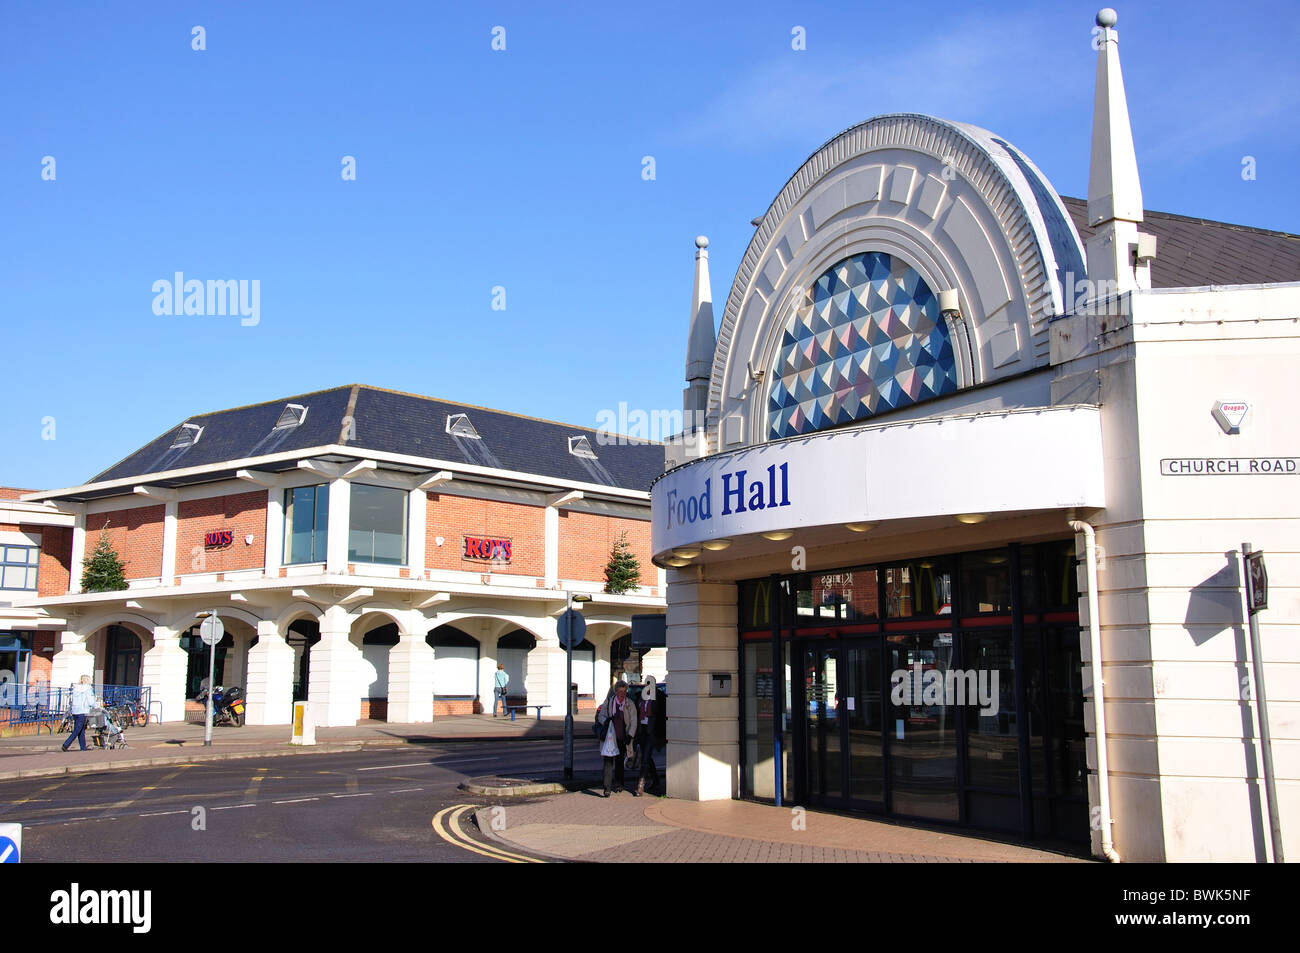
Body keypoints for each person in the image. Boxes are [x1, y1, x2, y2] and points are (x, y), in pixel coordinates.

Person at [595, 680, 636, 796]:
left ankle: (619, 784)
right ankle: (607, 788)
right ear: (616, 692)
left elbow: (633, 721)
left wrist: (630, 735)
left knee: (619, 762)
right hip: (610, 737)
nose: (622, 695)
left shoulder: (629, 704)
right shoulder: (609, 702)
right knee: (608, 763)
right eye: (620, 692)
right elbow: (601, 716)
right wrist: (606, 721)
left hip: (622, 737)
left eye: (624, 692)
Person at [633, 675, 661, 796]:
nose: (648, 686)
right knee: (647, 757)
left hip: (651, 730)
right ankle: (655, 779)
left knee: (645, 758)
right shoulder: (641, 697)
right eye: (647, 683)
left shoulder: (657, 697)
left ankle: (640, 786)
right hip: (642, 730)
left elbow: (660, 713)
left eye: (650, 683)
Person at [61, 675, 95, 752]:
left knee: (81, 730)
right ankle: (66, 744)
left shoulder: (76, 688)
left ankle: (83, 747)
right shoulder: (88, 689)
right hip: (83, 711)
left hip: (75, 711)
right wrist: (96, 705)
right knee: (77, 730)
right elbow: (91, 701)